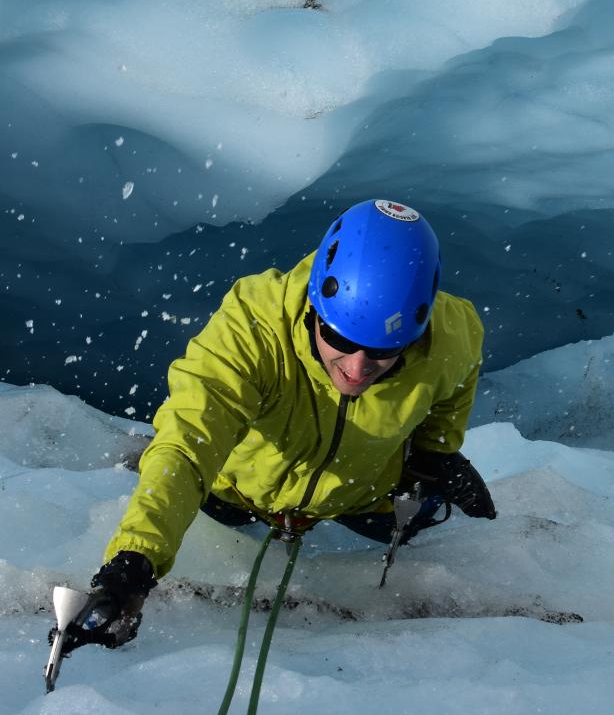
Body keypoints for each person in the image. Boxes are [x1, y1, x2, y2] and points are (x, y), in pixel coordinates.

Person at [58, 199, 496, 654]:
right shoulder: (251, 329)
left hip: (362, 492)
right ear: (314, 305)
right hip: (235, 491)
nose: (357, 367)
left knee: (419, 526)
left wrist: (437, 453)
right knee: (194, 486)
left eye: (384, 351)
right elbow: (189, 444)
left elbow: (456, 384)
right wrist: (135, 561)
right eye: (340, 339)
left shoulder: (452, 334)